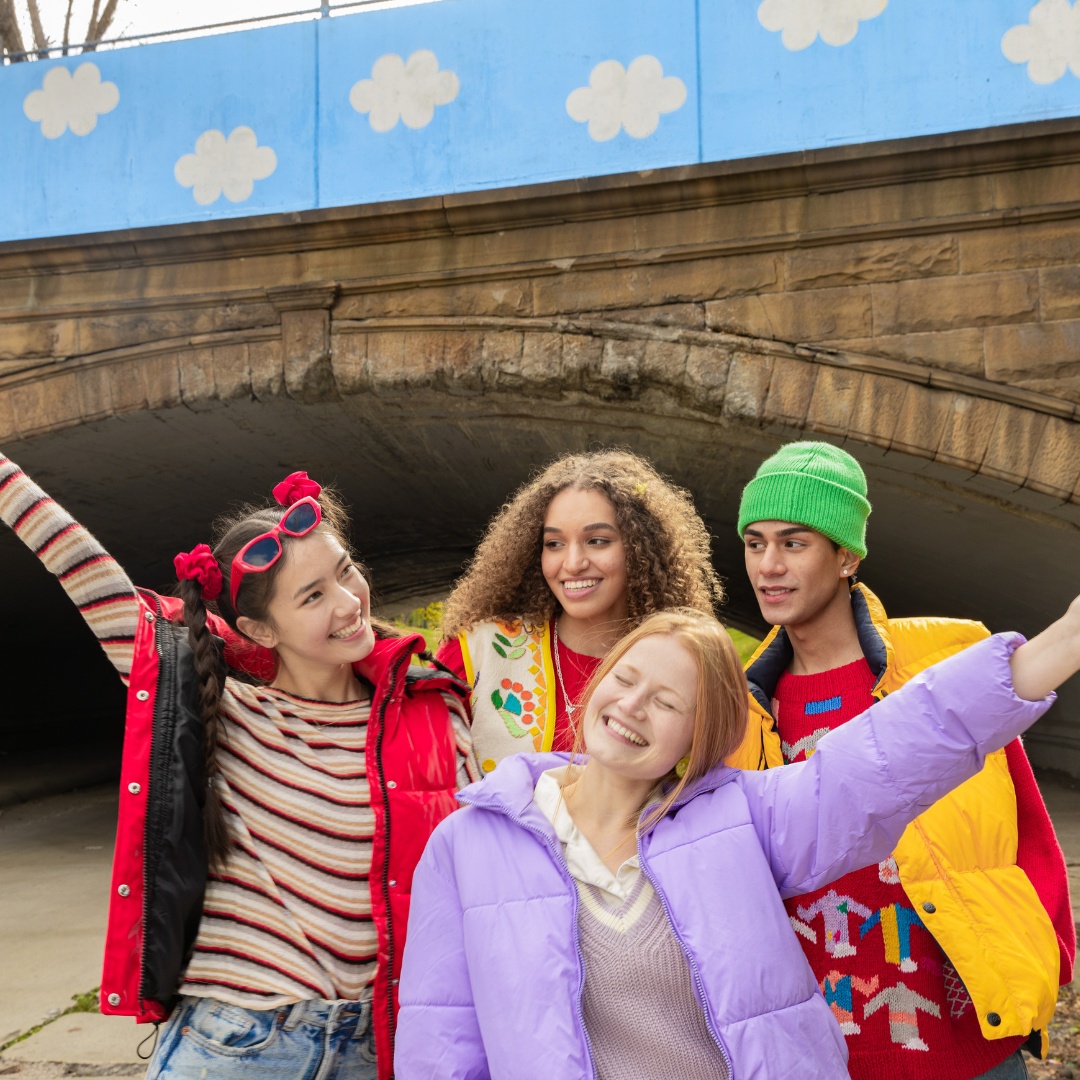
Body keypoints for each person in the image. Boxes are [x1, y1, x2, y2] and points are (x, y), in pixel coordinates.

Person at [394, 604, 1080, 1079]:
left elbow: (884, 756)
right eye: (626, 680)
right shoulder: (469, 844)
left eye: (667, 702)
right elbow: (442, 1045)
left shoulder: (741, 818)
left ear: (702, 740)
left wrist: (1065, 641)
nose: (632, 707)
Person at [0, 452, 476, 1080]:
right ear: (259, 628)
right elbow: (84, 569)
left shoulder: (429, 709)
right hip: (240, 1046)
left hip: (379, 1046)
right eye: (312, 596)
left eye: (345, 571)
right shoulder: (218, 708)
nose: (347, 601)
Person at [736, 440, 1074, 1080]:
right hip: (821, 1051)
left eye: (794, 543)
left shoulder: (945, 659)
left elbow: (1027, 827)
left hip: (964, 1043)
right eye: (755, 543)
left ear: (847, 556)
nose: (768, 566)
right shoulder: (737, 703)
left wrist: (1035, 963)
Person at [437, 448, 727, 774]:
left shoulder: (686, 672)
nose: (572, 564)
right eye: (554, 544)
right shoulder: (476, 652)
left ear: (640, 547)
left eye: (597, 541)